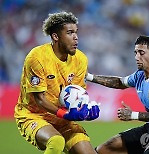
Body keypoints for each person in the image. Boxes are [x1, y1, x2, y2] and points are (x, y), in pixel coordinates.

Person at [14, 11, 100, 154]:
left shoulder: (81, 59)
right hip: (33, 115)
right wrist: (65, 114)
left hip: (61, 119)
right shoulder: (37, 57)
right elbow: (40, 99)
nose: (76, 37)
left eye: (76, 32)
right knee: (56, 141)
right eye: (70, 32)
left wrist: (86, 111)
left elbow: (76, 94)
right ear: (55, 36)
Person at [86, 35, 149, 154]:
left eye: (141, 53)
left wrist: (133, 115)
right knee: (106, 148)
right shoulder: (139, 75)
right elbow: (119, 82)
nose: (136, 57)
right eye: (135, 52)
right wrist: (89, 77)